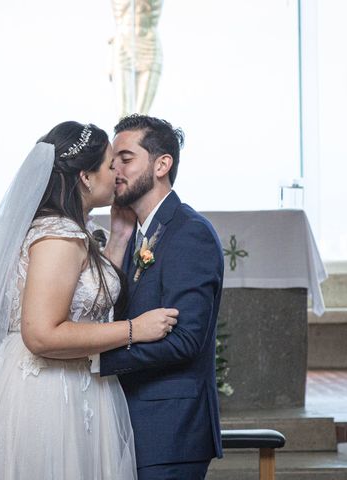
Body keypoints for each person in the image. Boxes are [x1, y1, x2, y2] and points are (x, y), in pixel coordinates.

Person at [0, 121, 179, 479]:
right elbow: (41, 335)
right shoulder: (58, 237)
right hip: (51, 394)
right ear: (85, 176)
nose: (117, 174)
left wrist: (119, 237)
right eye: (110, 164)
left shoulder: (72, 230)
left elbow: (89, 298)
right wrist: (134, 329)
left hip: (78, 382)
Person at [100, 114, 224, 479]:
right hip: (132, 423)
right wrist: (118, 243)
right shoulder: (135, 234)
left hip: (169, 430)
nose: (115, 171)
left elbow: (186, 340)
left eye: (126, 159)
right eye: (112, 162)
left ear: (161, 164)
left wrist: (96, 358)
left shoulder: (189, 233)